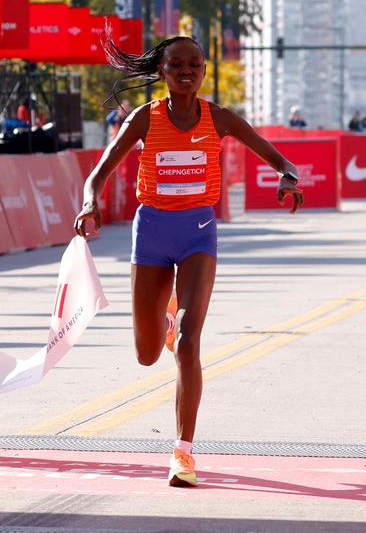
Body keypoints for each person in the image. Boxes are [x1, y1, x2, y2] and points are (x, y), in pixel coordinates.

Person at [74, 36, 303, 488]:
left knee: (191, 342)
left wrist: (287, 179)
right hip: (152, 233)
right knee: (145, 354)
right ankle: (164, 315)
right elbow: (97, 174)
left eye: (194, 64)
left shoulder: (220, 118)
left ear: (203, 69)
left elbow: (281, 160)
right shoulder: (145, 118)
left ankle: (183, 453)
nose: (186, 70)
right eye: (176, 63)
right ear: (162, 70)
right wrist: (89, 204)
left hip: (198, 232)